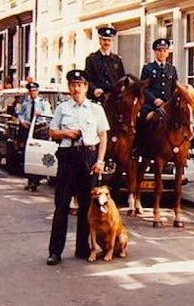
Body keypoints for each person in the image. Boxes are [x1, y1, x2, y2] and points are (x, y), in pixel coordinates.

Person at [46, 69, 110, 266]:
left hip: (89, 156)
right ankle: (55, 251)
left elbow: (103, 136)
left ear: (86, 87)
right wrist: (66, 133)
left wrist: (100, 161)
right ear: (69, 88)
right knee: (62, 205)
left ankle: (82, 247)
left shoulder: (95, 109)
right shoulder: (62, 108)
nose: (76, 88)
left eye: (79, 85)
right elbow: (51, 132)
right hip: (68, 156)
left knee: (86, 206)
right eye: (72, 85)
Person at [137, 38, 178, 137]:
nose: (162, 53)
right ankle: (140, 147)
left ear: (168, 53)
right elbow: (143, 88)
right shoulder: (148, 68)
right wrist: (154, 100)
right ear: (155, 52)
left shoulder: (172, 69)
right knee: (143, 120)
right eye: (159, 51)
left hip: (168, 105)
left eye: (165, 51)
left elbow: (174, 88)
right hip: (151, 105)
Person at [18, 81, 52, 191]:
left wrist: (40, 113)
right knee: (29, 154)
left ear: (38, 91)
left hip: (40, 129)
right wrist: (22, 121)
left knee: (38, 155)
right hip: (28, 128)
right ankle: (30, 180)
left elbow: (48, 115)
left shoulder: (43, 102)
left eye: (34, 90)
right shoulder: (26, 102)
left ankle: (36, 181)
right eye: (31, 91)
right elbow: (20, 113)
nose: (32, 92)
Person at [85, 25, 126, 102]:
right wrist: (94, 89)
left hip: (114, 99)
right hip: (97, 98)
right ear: (100, 41)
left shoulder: (117, 59)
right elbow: (87, 79)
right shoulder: (91, 59)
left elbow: (122, 78)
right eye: (104, 40)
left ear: (112, 42)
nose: (106, 42)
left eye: (109, 40)